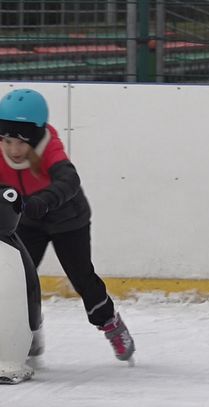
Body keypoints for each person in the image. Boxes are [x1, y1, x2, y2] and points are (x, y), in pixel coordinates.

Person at [0, 88, 135, 362]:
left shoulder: (50, 147)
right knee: (17, 281)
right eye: (6, 140)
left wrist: (42, 201)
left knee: (83, 278)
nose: (13, 150)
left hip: (67, 219)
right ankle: (30, 332)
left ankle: (109, 322)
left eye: (21, 142)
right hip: (25, 220)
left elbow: (69, 181)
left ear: (35, 138)